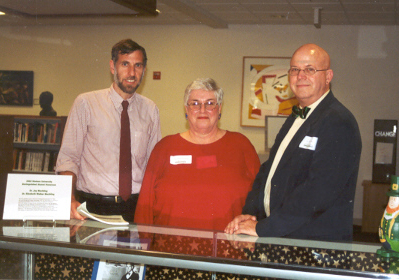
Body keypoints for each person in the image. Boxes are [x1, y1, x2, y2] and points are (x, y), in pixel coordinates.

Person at [225, 44, 362, 241]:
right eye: (295, 70)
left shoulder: (338, 121)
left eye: (310, 69)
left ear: (328, 76)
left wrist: (264, 228)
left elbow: (318, 192)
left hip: (314, 247)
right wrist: (250, 213)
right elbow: (269, 169)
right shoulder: (294, 116)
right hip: (283, 238)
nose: (301, 76)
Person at [134, 78, 260, 231]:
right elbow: (144, 207)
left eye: (210, 103)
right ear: (186, 109)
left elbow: (262, 200)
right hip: (171, 250)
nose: (202, 110)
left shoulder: (241, 146)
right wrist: (143, 251)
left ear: (219, 108)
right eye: (195, 103)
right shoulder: (165, 148)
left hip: (229, 249)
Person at [56, 39, 161, 222]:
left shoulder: (150, 109)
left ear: (144, 70)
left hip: (135, 207)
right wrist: (68, 198)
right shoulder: (86, 103)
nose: (131, 73)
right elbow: (68, 158)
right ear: (113, 67)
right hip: (92, 207)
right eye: (125, 64)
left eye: (138, 66)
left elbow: (154, 165)